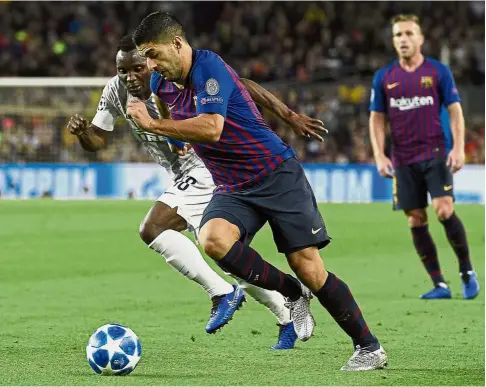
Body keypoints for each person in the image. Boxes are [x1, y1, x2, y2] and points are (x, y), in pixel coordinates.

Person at [129, 11, 387, 371]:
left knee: (308, 267)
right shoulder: (161, 84)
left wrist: (155, 125)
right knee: (212, 239)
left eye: (154, 54)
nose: (151, 65)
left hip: (276, 174)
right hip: (233, 186)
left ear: (177, 44)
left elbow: (213, 128)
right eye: (145, 57)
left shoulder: (208, 67)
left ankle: (368, 347)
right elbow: (240, 85)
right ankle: (292, 293)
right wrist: (176, 141)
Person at [67, 34, 326, 350]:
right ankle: (285, 314)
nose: (130, 77)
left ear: (151, 62)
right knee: (230, 257)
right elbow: (98, 139)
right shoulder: (115, 91)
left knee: (153, 228)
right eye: (123, 71)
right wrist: (83, 134)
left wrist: (288, 115)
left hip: (206, 168)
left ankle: (222, 293)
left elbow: (240, 84)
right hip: (183, 174)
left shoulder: (175, 78)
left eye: (137, 69)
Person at [369, 14, 480, 300]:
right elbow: (377, 118)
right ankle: (439, 284)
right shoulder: (384, 77)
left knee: (444, 209)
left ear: (420, 38)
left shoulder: (438, 71)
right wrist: (379, 155)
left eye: (408, 33)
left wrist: (458, 147)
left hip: (435, 153)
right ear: (393, 41)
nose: (403, 39)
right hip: (403, 158)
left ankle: (466, 271)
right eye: (398, 35)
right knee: (416, 219)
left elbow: (455, 110)